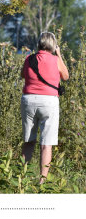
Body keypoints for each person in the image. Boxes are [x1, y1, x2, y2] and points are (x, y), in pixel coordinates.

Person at [20, 32, 69, 184]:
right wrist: (59, 54)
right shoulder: (55, 60)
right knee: (46, 143)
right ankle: (42, 181)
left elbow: (23, 75)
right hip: (49, 101)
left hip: (29, 100)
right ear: (53, 45)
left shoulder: (29, 59)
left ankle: (21, 176)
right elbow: (66, 76)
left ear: (39, 43)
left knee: (29, 141)